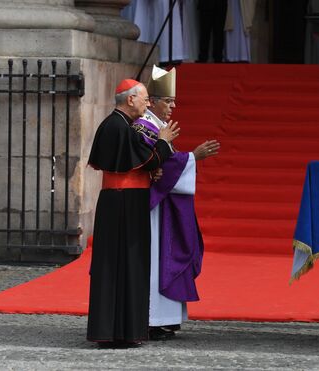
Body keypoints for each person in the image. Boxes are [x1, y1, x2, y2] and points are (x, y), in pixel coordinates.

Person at [86, 78, 179, 348]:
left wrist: (149, 169)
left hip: (120, 201)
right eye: (145, 98)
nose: (148, 103)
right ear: (130, 99)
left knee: (119, 266)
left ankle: (117, 330)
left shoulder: (116, 125)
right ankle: (122, 331)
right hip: (125, 202)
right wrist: (162, 141)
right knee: (128, 264)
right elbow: (148, 158)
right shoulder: (119, 127)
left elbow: (136, 163)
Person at [132, 65, 220, 340]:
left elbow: (163, 164)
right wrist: (193, 156)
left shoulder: (158, 127)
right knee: (156, 260)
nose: (172, 107)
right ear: (153, 102)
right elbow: (153, 164)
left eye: (174, 102)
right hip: (153, 209)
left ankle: (164, 318)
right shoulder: (143, 126)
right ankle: (152, 318)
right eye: (168, 102)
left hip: (164, 206)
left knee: (164, 257)